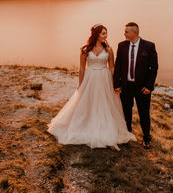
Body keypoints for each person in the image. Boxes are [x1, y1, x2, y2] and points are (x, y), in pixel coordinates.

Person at [47, 23, 137, 151]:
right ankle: (84, 125)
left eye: (106, 33)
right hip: (90, 79)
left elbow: (112, 67)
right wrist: (80, 84)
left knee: (104, 103)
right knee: (88, 102)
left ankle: (106, 127)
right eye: (103, 33)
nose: (106, 35)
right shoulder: (85, 50)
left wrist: (115, 83)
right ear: (97, 35)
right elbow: (82, 68)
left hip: (104, 79)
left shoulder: (109, 49)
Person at [113, 22, 158, 149]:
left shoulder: (149, 46)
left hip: (142, 88)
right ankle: (127, 135)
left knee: (144, 113)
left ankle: (146, 138)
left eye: (126, 31)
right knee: (126, 112)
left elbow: (154, 68)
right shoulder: (121, 46)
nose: (124, 33)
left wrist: (149, 86)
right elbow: (118, 66)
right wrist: (117, 83)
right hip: (126, 87)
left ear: (134, 33)